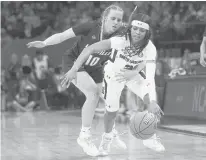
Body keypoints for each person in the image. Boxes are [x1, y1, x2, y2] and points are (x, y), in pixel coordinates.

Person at [27, 4, 126, 156]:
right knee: (92, 93)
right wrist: (45, 43)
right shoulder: (91, 26)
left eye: (119, 20)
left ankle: (110, 132)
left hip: (95, 67)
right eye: (113, 18)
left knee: (109, 99)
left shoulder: (121, 34)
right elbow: (62, 35)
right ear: (105, 18)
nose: (116, 22)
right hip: (73, 62)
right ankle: (84, 136)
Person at [61, 13, 165, 155]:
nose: (137, 32)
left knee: (152, 101)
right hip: (113, 76)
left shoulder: (150, 48)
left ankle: (149, 137)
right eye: (135, 28)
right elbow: (89, 49)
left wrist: (150, 99)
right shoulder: (120, 40)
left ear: (147, 33)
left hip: (132, 76)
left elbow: (150, 77)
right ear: (131, 28)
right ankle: (107, 139)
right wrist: (74, 69)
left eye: (142, 30)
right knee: (112, 111)